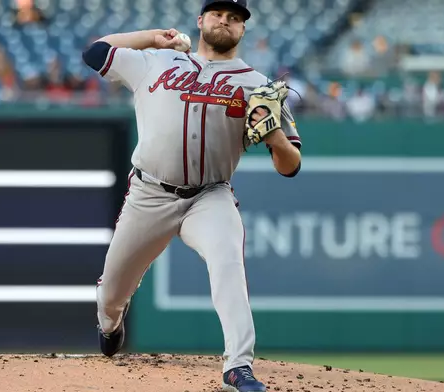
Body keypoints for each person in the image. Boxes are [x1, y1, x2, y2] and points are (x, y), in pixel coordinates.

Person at [82, 1, 302, 391]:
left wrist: (275, 135)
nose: (226, 20)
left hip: (209, 196)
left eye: (235, 17)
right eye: (218, 13)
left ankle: (238, 367)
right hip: (149, 193)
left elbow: (291, 166)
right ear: (200, 21)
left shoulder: (258, 84)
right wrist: (152, 38)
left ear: (242, 30)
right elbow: (94, 51)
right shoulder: (156, 62)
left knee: (227, 260)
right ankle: (110, 324)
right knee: (110, 295)